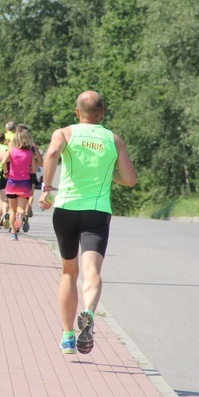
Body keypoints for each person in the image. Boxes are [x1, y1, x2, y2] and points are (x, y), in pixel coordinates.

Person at [39, 90, 137, 356]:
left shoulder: (64, 133)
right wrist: (104, 173)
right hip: (96, 212)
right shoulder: (113, 139)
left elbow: (51, 154)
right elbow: (129, 179)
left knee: (69, 272)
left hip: (67, 208)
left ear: (76, 111)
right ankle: (88, 312)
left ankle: (68, 336)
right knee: (91, 269)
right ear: (102, 112)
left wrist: (46, 188)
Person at [0, 127, 33, 241]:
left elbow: (3, 161)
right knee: (21, 209)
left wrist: (6, 172)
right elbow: (34, 169)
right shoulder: (29, 153)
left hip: (12, 182)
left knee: (12, 209)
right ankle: (20, 216)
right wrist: (27, 169)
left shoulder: (11, 151)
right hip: (24, 182)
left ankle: (13, 233)